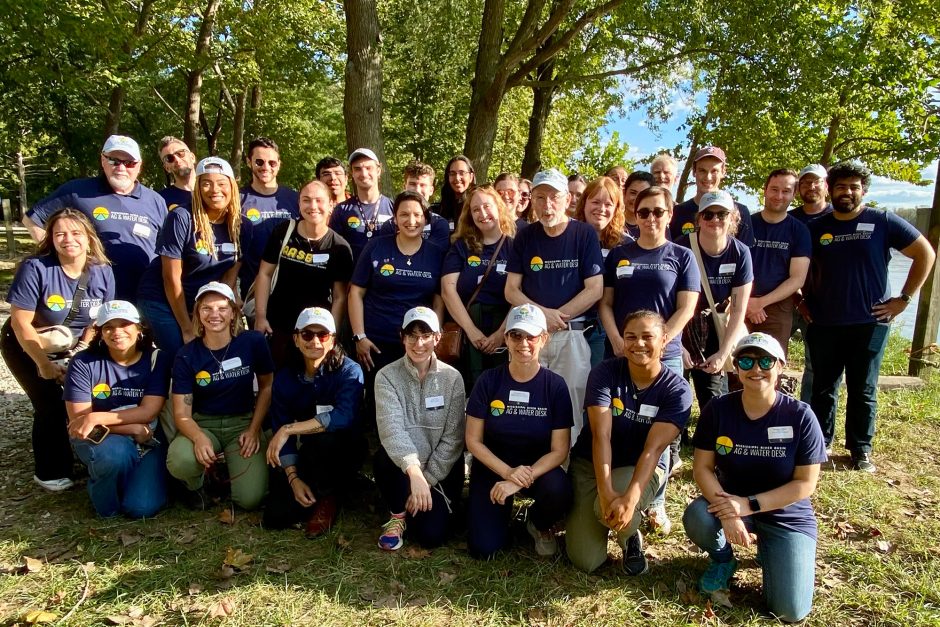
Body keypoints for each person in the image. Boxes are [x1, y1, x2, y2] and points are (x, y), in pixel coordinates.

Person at [683, 333, 826, 623]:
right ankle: (724, 560)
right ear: (735, 367)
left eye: (765, 360)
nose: (755, 368)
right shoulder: (718, 409)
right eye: (746, 360)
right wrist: (729, 513)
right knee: (697, 515)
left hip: (786, 514)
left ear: (781, 366)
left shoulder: (800, 416)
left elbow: (805, 483)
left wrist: (749, 505)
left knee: (790, 611)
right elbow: (702, 469)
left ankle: (772, 550)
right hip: (729, 503)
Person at [803, 161, 934, 472]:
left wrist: (903, 299)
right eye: (840, 186)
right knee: (823, 387)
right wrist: (800, 300)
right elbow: (798, 270)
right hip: (824, 322)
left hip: (870, 322)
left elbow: (925, 253)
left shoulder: (882, 221)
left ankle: (860, 449)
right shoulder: (816, 228)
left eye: (853, 187)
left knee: (863, 388)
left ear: (863, 191)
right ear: (830, 190)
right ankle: (820, 445)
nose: (847, 192)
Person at [599, 185, 699, 533]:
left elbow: (687, 307)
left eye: (659, 211)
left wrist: (660, 341)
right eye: (644, 212)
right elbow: (606, 303)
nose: (651, 218)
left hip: (665, 356)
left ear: (670, 215)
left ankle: (655, 502)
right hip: (620, 351)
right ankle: (620, 486)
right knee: (621, 421)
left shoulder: (682, 257)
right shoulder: (619, 255)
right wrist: (615, 337)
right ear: (633, 215)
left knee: (662, 435)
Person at [567, 311, 692, 574]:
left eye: (648, 337)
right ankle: (614, 520)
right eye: (631, 337)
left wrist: (630, 499)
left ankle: (629, 536)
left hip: (639, 468)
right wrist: (604, 491)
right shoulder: (605, 372)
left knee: (611, 510)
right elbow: (601, 436)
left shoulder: (677, 390)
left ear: (664, 340)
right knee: (586, 560)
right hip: (591, 464)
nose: (639, 344)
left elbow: (654, 449)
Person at [1, 209, 114, 491]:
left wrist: (80, 355)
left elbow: (100, 321)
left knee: (88, 394)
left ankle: (88, 451)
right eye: (60, 233)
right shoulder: (36, 268)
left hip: (77, 344)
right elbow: (20, 322)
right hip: (28, 344)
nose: (68, 240)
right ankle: (49, 470)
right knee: (50, 402)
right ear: (50, 238)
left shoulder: (102, 271)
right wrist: (44, 364)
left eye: (76, 233)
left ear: (89, 238)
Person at [465, 304, 574, 558]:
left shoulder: (555, 386)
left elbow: (560, 450)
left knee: (560, 490)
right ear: (506, 338)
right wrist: (507, 473)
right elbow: (473, 440)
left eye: (531, 336)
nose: (523, 343)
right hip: (494, 467)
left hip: (538, 467)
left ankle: (537, 523)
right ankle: (496, 518)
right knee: (484, 548)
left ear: (543, 339)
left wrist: (520, 478)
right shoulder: (488, 381)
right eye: (516, 335)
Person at [505, 168, 604, 444]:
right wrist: (540, 318)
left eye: (554, 197)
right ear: (532, 200)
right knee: (529, 401)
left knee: (571, 403)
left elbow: (594, 288)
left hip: (571, 335)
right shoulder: (525, 236)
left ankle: (565, 469)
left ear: (567, 199)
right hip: (531, 337)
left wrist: (555, 318)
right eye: (540, 197)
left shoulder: (584, 234)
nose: (547, 205)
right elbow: (511, 290)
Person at [166, 282, 274, 510]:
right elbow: (181, 413)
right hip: (204, 422)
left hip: (243, 422)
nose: (214, 314)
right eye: (206, 308)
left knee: (250, 500)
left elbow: (266, 387)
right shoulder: (186, 355)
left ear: (233, 313)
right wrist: (197, 437)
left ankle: (227, 474)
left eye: (222, 308)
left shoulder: (253, 342)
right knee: (181, 460)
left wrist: (254, 430)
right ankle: (195, 485)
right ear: (197, 314)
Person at [23, 135, 167, 301]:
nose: (121, 167)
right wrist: (57, 255)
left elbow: (166, 248)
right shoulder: (77, 191)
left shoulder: (155, 201)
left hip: (144, 294)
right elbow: (32, 219)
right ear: (103, 160)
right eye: (114, 160)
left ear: (139, 166)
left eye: (129, 163)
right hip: (90, 293)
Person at [64, 301, 172, 518]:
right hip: (104, 438)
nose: (117, 332)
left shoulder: (156, 359)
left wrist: (96, 416)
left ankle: (130, 480)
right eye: (108, 327)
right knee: (116, 455)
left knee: (141, 507)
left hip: (147, 439)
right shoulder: (83, 362)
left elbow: (148, 412)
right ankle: (107, 504)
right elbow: (80, 423)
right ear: (100, 332)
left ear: (139, 328)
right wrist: (131, 428)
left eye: (125, 324)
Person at [264, 308, 365, 536]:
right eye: (307, 334)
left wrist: (288, 429)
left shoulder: (350, 371)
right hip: (309, 451)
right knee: (275, 517)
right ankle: (310, 492)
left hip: (344, 450)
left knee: (327, 439)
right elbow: (281, 428)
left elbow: (343, 416)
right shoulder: (285, 378)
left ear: (333, 340)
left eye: (323, 335)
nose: (315, 341)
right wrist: (293, 478)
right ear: (296, 339)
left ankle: (330, 497)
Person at [374, 307, 466, 551]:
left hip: (439, 468)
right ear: (402, 337)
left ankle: (415, 507)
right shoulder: (386, 376)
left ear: (438, 338)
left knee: (430, 537)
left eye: (426, 335)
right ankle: (398, 516)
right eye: (412, 335)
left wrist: (427, 480)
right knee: (383, 457)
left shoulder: (453, 378)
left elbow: (453, 438)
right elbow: (391, 431)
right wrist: (414, 474)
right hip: (403, 467)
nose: (419, 343)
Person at [349, 191, 446, 420]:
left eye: (417, 215)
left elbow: (439, 299)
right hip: (376, 343)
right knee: (379, 403)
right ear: (394, 218)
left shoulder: (436, 254)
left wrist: (435, 334)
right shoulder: (376, 247)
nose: (411, 221)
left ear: (426, 218)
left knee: (415, 402)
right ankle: (380, 450)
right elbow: (355, 293)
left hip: (418, 343)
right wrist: (359, 336)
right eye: (404, 214)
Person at [136, 157, 247, 356]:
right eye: (206, 183)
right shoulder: (182, 217)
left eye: (221, 183)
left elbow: (229, 277)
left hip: (197, 302)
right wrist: (187, 328)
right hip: (162, 299)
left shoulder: (240, 225)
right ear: (197, 187)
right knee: (184, 353)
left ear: (232, 186)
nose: (215, 190)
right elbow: (171, 279)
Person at [253, 180, 353, 366]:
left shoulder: (339, 247)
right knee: (278, 382)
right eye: (306, 200)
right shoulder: (283, 232)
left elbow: (340, 297)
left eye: (319, 200)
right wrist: (261, 317)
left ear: (331, 205)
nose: (313, 206)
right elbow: (264, 274)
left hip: (315, 333)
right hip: (279, 326)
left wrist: (332, 335)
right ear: (299, 204)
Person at [677, 191, 753, 410]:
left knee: (713, 398)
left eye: (722, 214)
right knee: (674, 389)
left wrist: (722, 354)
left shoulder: (740, 253)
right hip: (682, 324)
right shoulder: (681, 249)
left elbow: (739, 310)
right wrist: (677, 344)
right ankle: (674, 442)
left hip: (716, 325)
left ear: (732, 217)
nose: (715, 220)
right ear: (699, 218)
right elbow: (668, 300)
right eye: (708, 215)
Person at [441, 184, 515, 389]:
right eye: (475, 209)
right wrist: (472, 331)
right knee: (472, 388)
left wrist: (502, 333)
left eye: (487, 206)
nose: (482, 213)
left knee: (502, 387)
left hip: (505, 330)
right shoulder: (461, 246)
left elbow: (522, 292)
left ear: (499, 207)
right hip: (469, 329)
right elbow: (448, 291)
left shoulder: (515, 246)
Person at [747, 169, 810, 354]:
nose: (779, 196)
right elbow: (732, 268)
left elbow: (797, 278)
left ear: (794, 194)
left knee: (771, 364)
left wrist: (761, 303)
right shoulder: (745, 225)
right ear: (765, 190)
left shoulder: (799, 231)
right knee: (736, 367)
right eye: (774, 189)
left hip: (778, 307)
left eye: (786, 191)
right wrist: (748, 303)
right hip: (741, 303)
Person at [788, 164, 834, 407]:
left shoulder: (839, 217)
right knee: (769, 357)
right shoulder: (790, 219)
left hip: (822, 305)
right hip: (787, 299)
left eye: (816, 182)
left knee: (815, 365)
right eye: (805, 183)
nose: (811, 186)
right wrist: (797, 298)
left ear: (826, 186)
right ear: (798, 189)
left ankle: (808, 416)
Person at [574, 176, 627, 367]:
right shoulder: (568, 237)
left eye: (608, 204)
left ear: (617, 208)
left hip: (614, 328)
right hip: (574, 325)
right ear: (584, 203)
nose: (601, 209)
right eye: (595, 202)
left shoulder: (626, 245)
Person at [239, 137, 300, 298]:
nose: (266, 167)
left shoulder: (296, 199)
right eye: (259, 162)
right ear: (248, 161)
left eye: (272, 163)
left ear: (279, 164)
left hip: (292, 288)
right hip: (252, 289)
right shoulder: (237, 200)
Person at [671, 146, 755, 246]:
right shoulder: (678, 212)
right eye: (702, 170)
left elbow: (745, 256)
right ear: (694, 171)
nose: (708, 177)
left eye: (714, 171)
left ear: (723, 172)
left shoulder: (740, 212)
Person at [329, 148, 394, 260]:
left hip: (385, 274)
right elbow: (334, 250)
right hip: (352, 276)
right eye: (357, 169)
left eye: (369, 168)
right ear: (352, 173)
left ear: (378, 170)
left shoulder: (394, 207)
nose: (364, 174)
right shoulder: (341, 210)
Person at [378, 161, 450, 249]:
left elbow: (435, 256)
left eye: (423, 185)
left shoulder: (440, 224)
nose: (417, 190)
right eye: (412, 184)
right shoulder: (390, 225)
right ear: (404, 187)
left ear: (431, 190)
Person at [432, 155, 475, 229]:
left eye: (462, 173)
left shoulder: (477, 206)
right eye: (452, 173)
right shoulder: (440, 209)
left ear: (471, 177)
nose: (457, 178)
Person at [157, 136, 196, 212]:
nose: (177, 160)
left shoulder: (212, 191)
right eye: (169, 158)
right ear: (166, 168)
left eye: (180, 153)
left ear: (192, 157)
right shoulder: (160, 200)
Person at [622, 171, 654, 239]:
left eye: (643, 194)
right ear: (624, 193)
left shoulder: (656, 226)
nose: (637, 199)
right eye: (633, 193)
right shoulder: (611, 222)